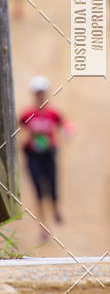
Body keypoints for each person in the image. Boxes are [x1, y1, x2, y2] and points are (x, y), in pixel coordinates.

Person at [19, 76, 65, 240]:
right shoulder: (27, 114)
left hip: (48, 154)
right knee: (38, 191)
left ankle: (55, 208)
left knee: (52, 186)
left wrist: (63, 138)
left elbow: (64, 125)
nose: (40, 96)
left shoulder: (53, 113)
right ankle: (43, 227)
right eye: (37, 93)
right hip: (33, 156)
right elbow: (18, 128)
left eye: (42, 93)